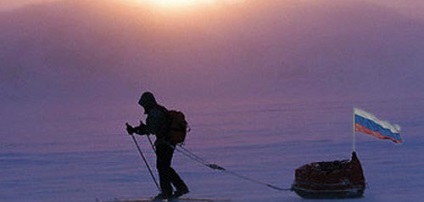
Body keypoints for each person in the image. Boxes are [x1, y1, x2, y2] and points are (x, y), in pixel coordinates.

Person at [126, 92, 189, 200]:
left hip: (164, 143)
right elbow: (155, 126)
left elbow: (151, 129)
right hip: (167, 142)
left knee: (162, 166)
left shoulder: (154, 112)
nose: (143, 107)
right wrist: (141, 128)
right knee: (164, 166)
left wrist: (136, 130)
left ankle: (169, 192)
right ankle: (178, 188)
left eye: (144, 104)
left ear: (148, 102)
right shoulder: (159, 109)